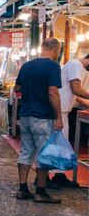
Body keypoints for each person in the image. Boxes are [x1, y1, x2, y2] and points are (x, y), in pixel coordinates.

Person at [14, 38, 63, 203]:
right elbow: (53, 93)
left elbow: (17, 88)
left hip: (25, 115)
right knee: (43, 153)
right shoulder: (53, 67)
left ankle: (22, 189)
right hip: (43, 117)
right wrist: (59, 117)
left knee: (26, 151)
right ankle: (41, 191)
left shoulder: (27, 66)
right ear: (56, 50)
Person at [50, 53, 89, 188]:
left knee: (61, 145)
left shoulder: (77, 68)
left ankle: (58, 175)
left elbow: (76, 96)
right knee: (56, 145)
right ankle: (45, 178)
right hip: (58, 111)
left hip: (62, 110)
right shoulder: (75, 65)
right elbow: (76, 89)